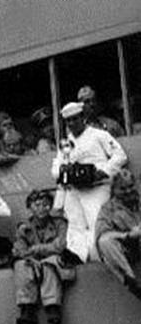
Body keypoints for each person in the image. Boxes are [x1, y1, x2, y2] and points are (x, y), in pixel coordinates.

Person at [52, 101, 127, 262]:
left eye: (75, 119)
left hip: (96, 187)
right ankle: (77, 255)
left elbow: (120, 155)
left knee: (96, 221)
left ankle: (99, 257)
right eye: (68, 121)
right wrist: (64, 172)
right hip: (75, 189)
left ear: (83, 117)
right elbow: (56, 166)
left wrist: (104, 171)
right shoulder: (66, 143)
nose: (72, 123)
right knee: (75, 223)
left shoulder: (98, 135)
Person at [13, 189, 72, 324]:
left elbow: (60, 245)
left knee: (49, 264)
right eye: (37, 205)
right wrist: (29, 257)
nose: (42, 209)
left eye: (45, 205)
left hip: (54, 260)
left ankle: (52, 306)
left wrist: (35, 249)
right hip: (34, 262)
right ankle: (27, 308)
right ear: (30, 207)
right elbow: (19, 248)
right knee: (22, 265)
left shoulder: (59, 224)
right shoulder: (24, 228)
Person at [96, 169, 141, 301]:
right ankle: (131, 281)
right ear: (114, 189)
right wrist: (128, 235)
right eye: (122, 188)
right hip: (127, 248)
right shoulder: (108, 208)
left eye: (130, 186)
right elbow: (101, 232)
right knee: (104, 242)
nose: (128, 191)